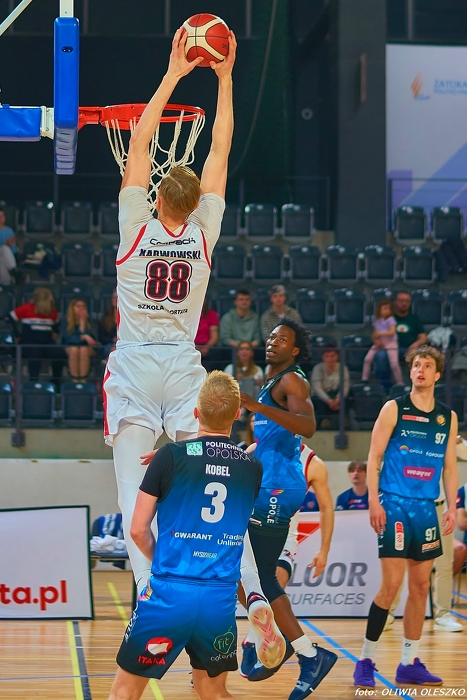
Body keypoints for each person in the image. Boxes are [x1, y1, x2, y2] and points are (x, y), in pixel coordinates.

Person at [102, 27, 236, 593]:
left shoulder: (136, 225)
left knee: (133, 495)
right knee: (207, 476)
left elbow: (139, 145)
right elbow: (219, 149)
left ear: (157, 196)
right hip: (183, 365)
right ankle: (238, 588)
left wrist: (174, 73)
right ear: (197, 203)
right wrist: (224, 80)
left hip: (135, 364)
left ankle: (149, 598)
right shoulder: (204, 232)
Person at [108, 371, 282, 700]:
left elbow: (137, 529)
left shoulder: (169, 456)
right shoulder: (252, 467)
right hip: (219, 599)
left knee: (124, 694)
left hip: (170, 593)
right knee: (213, 693)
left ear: (195, 412)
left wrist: (162, 562)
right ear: (237, 414)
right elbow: (224, 474)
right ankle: (255, 595)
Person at [240, 319, 338, 700]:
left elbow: (308, 426)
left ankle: (301, 652)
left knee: (258, 577)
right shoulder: (272, 383)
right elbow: (269, 438)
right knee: (250, 574)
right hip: (267, 484)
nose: (272, 341)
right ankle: (288, 646)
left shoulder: (292, 381)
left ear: (295, 350)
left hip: (279, 489)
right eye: (271, 336)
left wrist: (254, 405)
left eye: (282, 339)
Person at [353, 345, 458, 690]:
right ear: (410, 372)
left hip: (427, 508)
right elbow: (373, 456)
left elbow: (450, 467)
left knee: (421, 586)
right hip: (394, 504)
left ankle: (409, 663)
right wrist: (373, 500)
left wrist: (452, 506)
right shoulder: (394, 408)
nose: (420, 370)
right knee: (391, 586)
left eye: (427, 365)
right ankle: (365, 660)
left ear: (437, 374)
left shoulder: (447, 417)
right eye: (416, 365)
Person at [241, 444, 335, 680]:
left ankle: (271, 641)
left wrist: (324, 549)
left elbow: (327, 508)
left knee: (273, 581)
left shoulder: (312, 463)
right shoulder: (257, 449)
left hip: (285, 535)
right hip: (252, 529)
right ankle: (265, 636)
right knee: (241, 585)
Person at [9, 287, 64, 387]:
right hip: (29, 343)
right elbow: (9, 318)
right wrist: (17, 334)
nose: (52, 299)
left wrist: (55, 332)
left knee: (59, 353)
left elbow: (57, 324)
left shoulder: (52, 310)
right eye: (50, 296)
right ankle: (33, 382)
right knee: (35, 353)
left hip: (47, 342)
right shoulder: (26, 308)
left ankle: (56, 381)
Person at [374, 291, 427, 390]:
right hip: (390, 349)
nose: (404, 303)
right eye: (401, 301)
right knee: (380, 356)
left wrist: (416, 344)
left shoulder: (414, 319)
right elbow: (376, 334)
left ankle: (417, 387)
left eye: (407, 301)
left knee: (421, 356)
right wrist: (377, 341)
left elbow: (423, 337)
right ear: (395, 302)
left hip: (410, 349)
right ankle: (386, 388)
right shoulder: (387, 318)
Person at [362, 299, 403, 386]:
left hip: (391, 343)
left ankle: (400, 383)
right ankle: (364, 379)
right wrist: (376, 341)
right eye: (385, 308)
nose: (387, 311)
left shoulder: (391, 319)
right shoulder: (376, 320)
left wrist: (380, 334)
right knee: (367, 359)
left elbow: (392, 332)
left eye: (389, 309)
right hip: (380, 343)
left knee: (394, 364)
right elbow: (375, 334)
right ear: (379, 310)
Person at [310, 343, 350, 430]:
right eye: (327, 356)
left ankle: (345, 421)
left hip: (336, 395)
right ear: (323, 357)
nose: (330, 359)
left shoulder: (343, 368)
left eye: (332, 356)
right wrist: (328, 401)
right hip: (322, 396)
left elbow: (345, 386)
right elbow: (317, 388)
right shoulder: (318, 368)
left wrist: (338, 399)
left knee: (348, 397)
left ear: (337, 356)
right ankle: (324, 421)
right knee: (318, 400)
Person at [63, 299, 97, 380]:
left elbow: (93, 340)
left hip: (88, 348)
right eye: (78, 306)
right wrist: (83, 337)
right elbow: (66, 338)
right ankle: (75, 380)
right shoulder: (66, 321)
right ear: (72, 308)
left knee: (83, 350)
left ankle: (83, 380)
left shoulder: (91, 321)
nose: (81, 308)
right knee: (74, 350)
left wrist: (82, 323)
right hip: (69, 347)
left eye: (83, 306)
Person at [195, 297, 219, 367]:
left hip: (208, 346)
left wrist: (206, 347)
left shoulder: (212, 315)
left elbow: (214, 336)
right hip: (192, 346)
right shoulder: (188, 316)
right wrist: (194, 348)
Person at [0, 207, 17, 285]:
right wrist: (4, 244)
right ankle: (13, 270)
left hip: (5, 258)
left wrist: (9, 245)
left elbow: (14, 250)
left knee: (3, 256)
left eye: (2, 216)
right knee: (4, 248)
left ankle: (5, 285)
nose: (1, 219)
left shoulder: (9, 231)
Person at [98, 289, 117, 359]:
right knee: (114, 350)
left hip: (125, 344)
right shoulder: (105, 317)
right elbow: (101, 337)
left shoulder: (128, 317)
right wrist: (112, 340)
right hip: (109, 345)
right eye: (114, 298)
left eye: (118, 297)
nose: (116, 300)